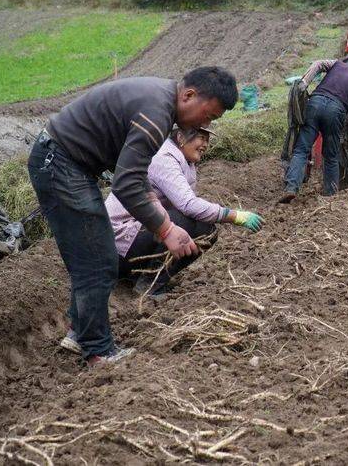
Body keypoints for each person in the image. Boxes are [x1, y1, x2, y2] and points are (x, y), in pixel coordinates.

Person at [27, 67, 238, 366]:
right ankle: (99, 351)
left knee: (97, 254)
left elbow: (135, 175)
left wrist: (156, 215)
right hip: (61, 164)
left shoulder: (160, 103)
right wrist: (166, 229)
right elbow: (125, 183)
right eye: (209, 115)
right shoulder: (156, 113)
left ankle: (80, 332)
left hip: (68, 164)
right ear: (189, 95)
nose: (206, 124)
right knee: (98, 258)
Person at [59, 126, 264, 355]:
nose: (205, 143)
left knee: (196, 225)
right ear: (179, 137)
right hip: (117, 241)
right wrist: (234, 215)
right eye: (200, 137)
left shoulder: (184, 162)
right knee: (199, 226)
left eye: (208, 138)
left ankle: (140, 277)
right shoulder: (164, 158)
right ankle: (148, 283)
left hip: (128, 237)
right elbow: (188, 206)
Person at [280, 57, 348, 202]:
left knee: (301, 150)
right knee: (331, 156)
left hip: (314, 103)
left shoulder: (337, 64)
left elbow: (318, 63)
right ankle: (330, 195)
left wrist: (305, 82)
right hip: (335, 112)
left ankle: (291, 188)